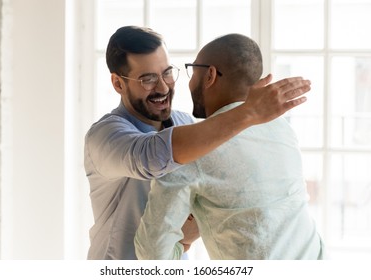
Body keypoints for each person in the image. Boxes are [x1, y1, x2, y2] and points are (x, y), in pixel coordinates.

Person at [84, 26, 311, 260]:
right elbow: (154, 156)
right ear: (118, 84)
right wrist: (249, 112)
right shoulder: (104, 136)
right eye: (148, 79)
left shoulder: (187, 123)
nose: (163, 87)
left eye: (167, 73)